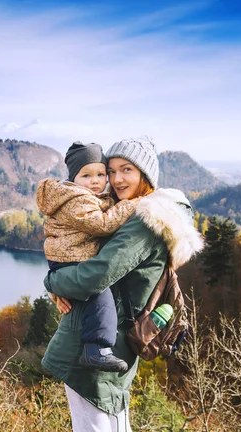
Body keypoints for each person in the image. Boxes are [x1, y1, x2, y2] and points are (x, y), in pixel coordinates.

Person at [42, 137, 204, 431]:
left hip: (94, 355)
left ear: (145, 175)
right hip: (100, 351)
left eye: (126, 169)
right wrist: (58, 285)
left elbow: (95, 276)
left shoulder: (144, 221)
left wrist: (52, 280)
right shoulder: (128, 212)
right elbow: (80, 257)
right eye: (111, 170)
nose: (116, 179)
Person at [36, 141, 140, 372]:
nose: (95, 181)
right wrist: (132, 205)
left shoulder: (86, 196)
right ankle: (96, 350)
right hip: (71, 257)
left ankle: (96, 349)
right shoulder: (77, 199)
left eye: (101, 174)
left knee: (95, 296)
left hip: (69, 257)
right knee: (98, 292)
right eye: (86, 175)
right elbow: (102, 224)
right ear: (74, 179)